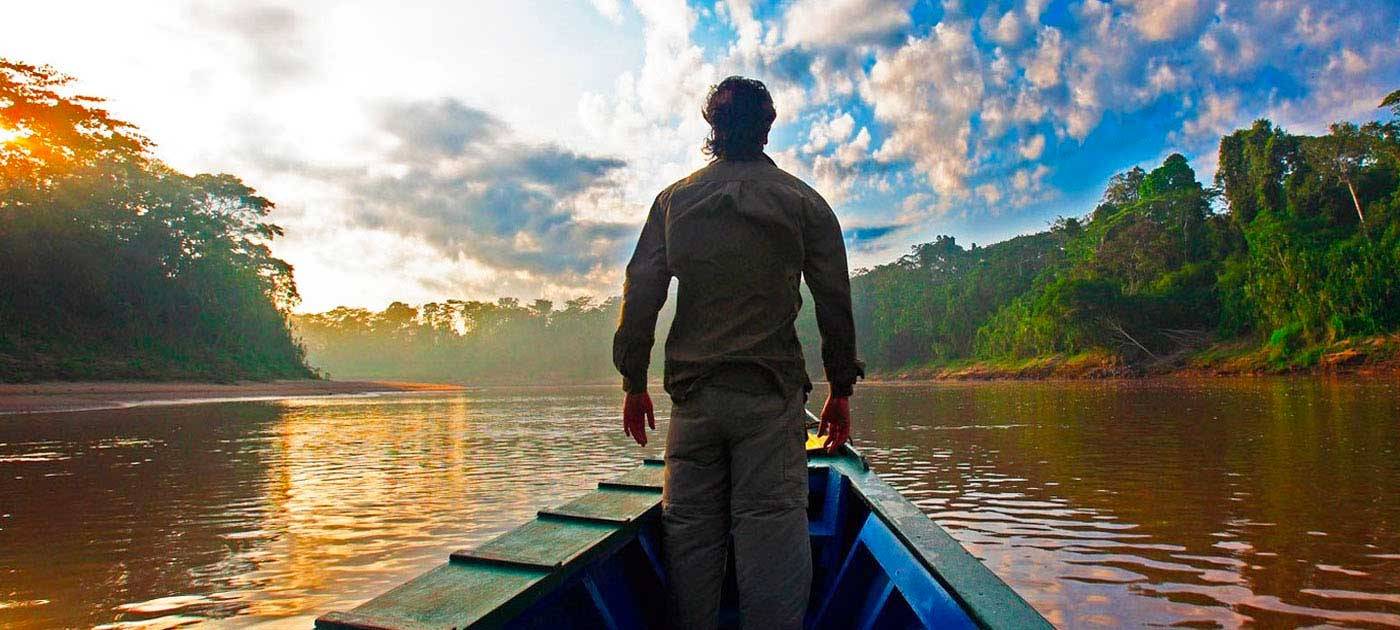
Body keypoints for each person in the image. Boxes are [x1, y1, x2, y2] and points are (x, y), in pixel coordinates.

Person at [612, 76, 864, 630]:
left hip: (695, 403)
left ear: (712, 128)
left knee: (691, 535)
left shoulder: (674, 202)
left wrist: (634, 382)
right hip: (769, 401)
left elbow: (642, 292)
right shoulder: (804, 202)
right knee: (772, 531)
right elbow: (834, 303)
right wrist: (839, 391)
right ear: (768, 127)